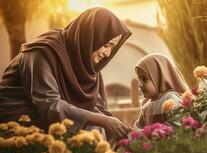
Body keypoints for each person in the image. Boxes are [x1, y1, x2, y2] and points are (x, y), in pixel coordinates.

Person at [0, 7, 132, 140]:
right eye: (107, 45)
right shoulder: (42, 52)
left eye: (112, 47)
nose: (107, 53)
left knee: (96, 127)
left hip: (47, 113)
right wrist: (101, 121)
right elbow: (48, 105)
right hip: (18, 116)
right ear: (91, 36)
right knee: (91, 127)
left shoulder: (85, 63)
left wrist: (128, 133)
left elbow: (97, 109)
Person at [134, 53, 189, 130]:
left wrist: (148, 132)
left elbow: (177, 124)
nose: (140, 84)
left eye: (144, 79)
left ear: (158, 77)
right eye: (138, 79)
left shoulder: (170, 99)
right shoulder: (145, 104)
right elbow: (138, 127)